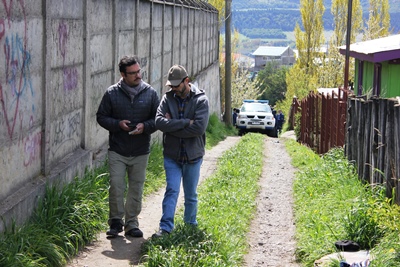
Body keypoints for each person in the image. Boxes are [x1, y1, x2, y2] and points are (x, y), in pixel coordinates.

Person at [96, 55, 160, 238]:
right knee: (116, 185)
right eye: (133, 73)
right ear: (123, 75)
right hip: (118, 149)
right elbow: (101, 116)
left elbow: (159, 119)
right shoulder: (111, 93)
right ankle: (115, 222)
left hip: (140, 150)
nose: (138, 75)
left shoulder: (150, 93)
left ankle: (132, 224)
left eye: (139, 71)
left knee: (136, 187)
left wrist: (144, 127)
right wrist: (118, 124)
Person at [152, 65, 209, 237]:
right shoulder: (167, 98)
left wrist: (172, 126)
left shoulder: (201, 100)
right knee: (172, 190)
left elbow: (198, 128)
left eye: (177, 85)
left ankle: (190, 227)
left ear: (187, 81)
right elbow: (159, 122)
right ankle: (166, 228)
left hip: (193, 155)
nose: (174, 89)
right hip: (172, 155)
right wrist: (185, 122)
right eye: (171, 86)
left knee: (190, 194)